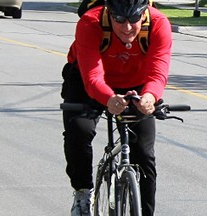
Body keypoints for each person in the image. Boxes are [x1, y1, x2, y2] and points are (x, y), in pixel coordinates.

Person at [61, 0, 172, 215]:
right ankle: (83, 193)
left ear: (144, 14)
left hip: (138, 83)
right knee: (79, 131)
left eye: (134, 19)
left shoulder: (159, 24)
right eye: (119, 19)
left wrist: (150, 96)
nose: (127, 27)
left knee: (144, 153)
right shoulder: (90, 22)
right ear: (109, 13)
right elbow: (92, 77)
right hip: (87, 80)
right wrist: (108, 98)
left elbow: (158, 72)